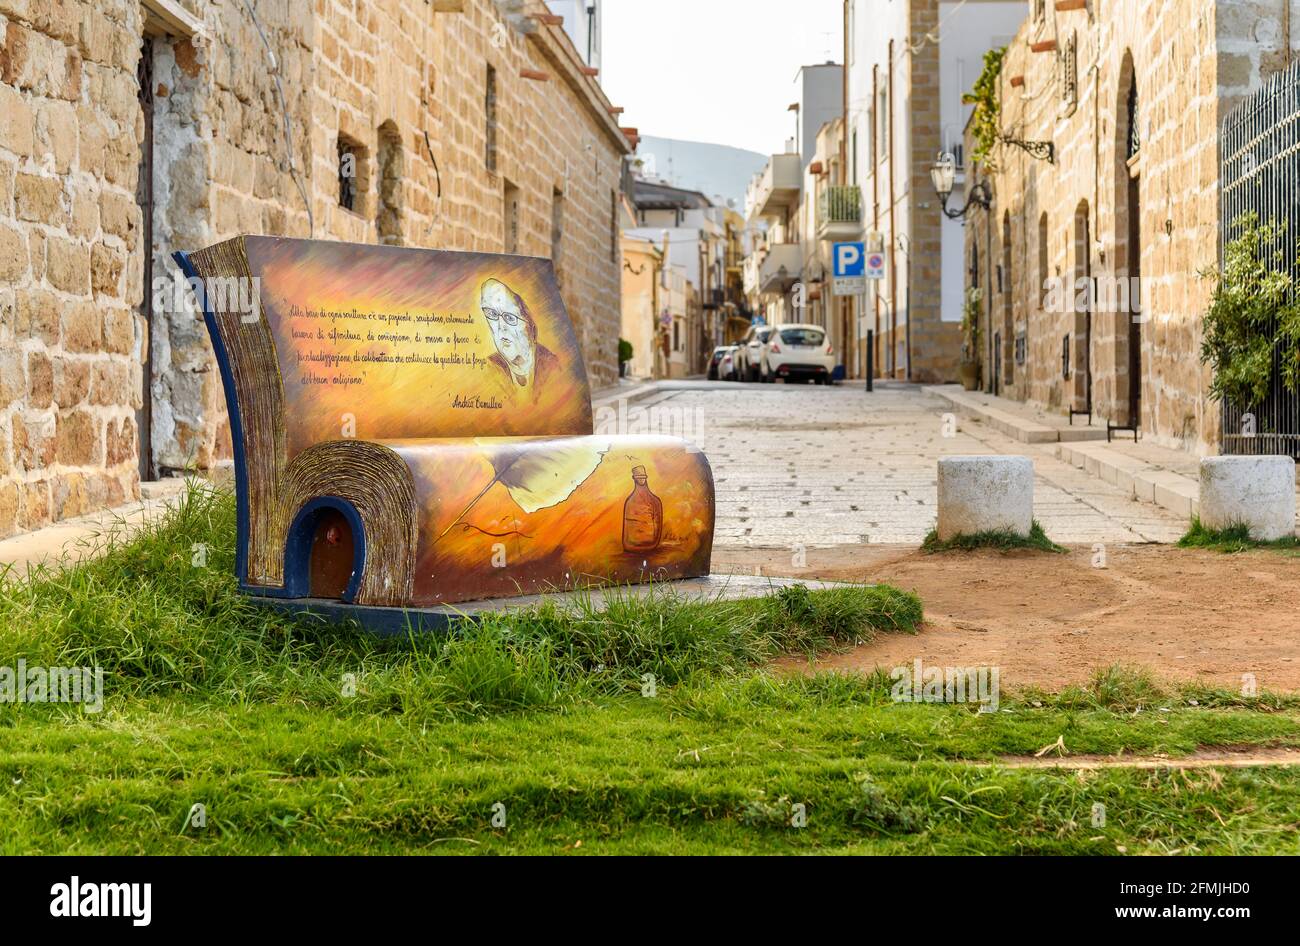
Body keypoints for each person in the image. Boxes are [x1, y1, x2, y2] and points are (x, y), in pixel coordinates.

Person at [480, 278, 560, 403]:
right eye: (493, 314)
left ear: (532, 331)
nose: (501, 326)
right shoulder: (489, 369)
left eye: (510, 318)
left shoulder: (554, 369)